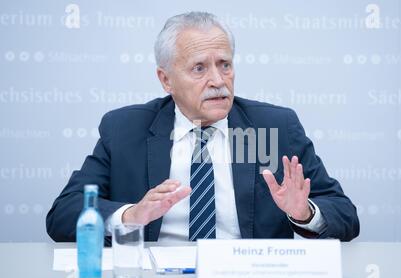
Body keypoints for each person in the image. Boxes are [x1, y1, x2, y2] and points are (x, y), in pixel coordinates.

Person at [46, 12, 359, 243]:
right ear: (165, 79)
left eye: (225, 64)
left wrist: (303, 211)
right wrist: (131, 216)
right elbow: (64, 214)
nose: (218, 81)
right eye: (199, 68)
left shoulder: (274, 127)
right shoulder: (125, 128)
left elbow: (345, 215)